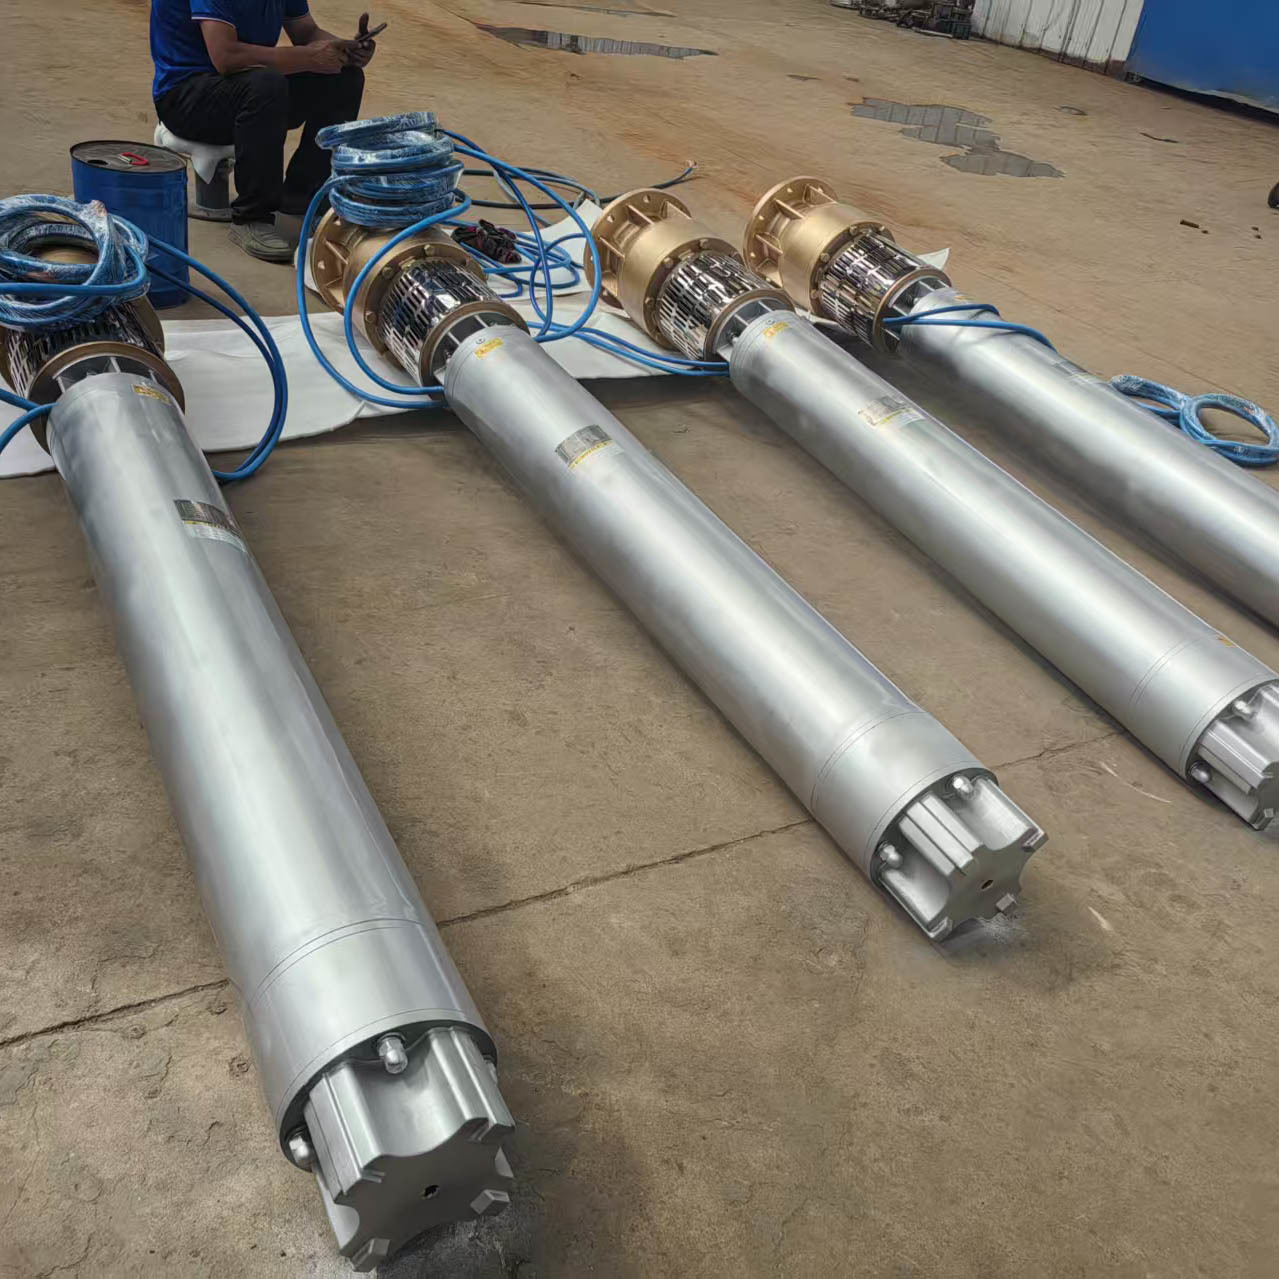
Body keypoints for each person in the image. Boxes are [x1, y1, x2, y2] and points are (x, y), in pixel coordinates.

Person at [150, 1, 377, 262]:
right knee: (266, 83)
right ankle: (251, 216)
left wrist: (345, 51)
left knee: (345, 77)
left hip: (248, 88)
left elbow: (307, 33)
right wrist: (309, 57)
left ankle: (304, 199)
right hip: (184, 98)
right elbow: (226, 57)